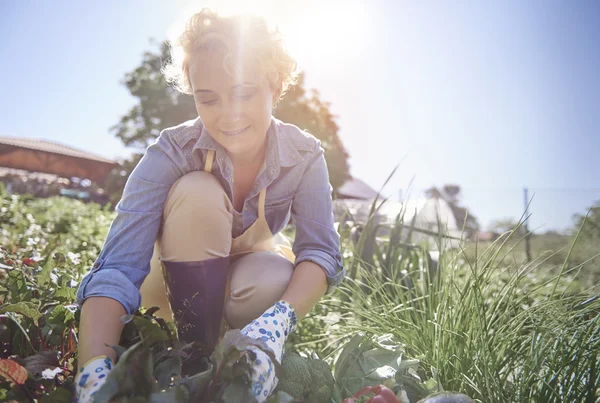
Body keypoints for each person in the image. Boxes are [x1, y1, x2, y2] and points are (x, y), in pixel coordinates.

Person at [73, 8, 345, 402]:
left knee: (276, 275)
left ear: (275, 83)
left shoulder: (303, 155)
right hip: (161, 290)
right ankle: (192, 354)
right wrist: (93, 374)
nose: (228, 114)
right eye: (209, 98)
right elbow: (117, 267)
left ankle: (243, 346)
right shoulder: (171, 151)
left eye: (244, 92)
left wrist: (278, 323)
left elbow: (321, 249)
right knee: (198, 191)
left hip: (242, 286)